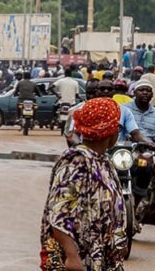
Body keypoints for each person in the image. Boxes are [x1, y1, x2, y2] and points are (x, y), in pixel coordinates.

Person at [40, 98, 126, 271]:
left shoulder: (102, 162)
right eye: (117, 126)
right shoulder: (76, 162)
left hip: (100, 257)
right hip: (79, 259)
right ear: (109, 132)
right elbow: (59, 214)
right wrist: (72, 257)